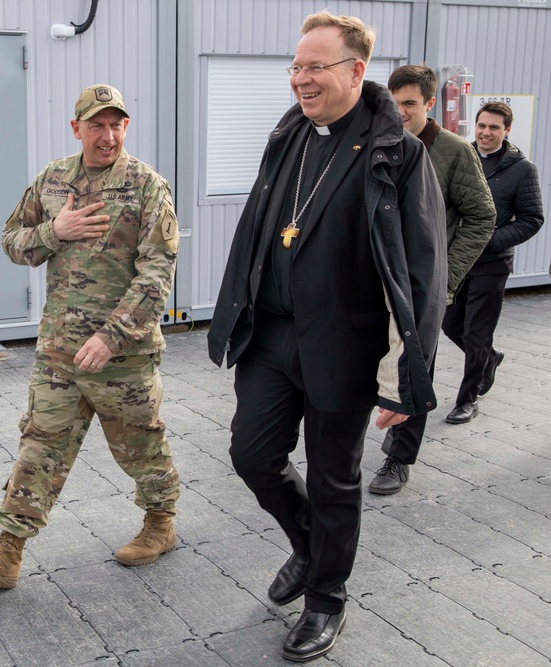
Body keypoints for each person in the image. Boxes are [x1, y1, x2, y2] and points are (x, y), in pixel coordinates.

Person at [206, 12, 446, 662]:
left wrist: (408, 376)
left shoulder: (399, 150)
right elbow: (259, 229)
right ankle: (312, 547)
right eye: (296, 67)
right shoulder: (288, 135)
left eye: (314, 67)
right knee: (252, 455)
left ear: (354, 71)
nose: (301, 79)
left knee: (336, 478)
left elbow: (421, 271)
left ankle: (326, 598)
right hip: (273, 336)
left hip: (345, 345)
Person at [0, 84, 181, 589]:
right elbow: (13, 242)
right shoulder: (53, 181)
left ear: (126, 127)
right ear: (76, 128)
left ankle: (159, 523)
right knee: (39, 445)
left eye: (116, 124)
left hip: (123, 355)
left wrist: (112, 336)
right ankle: (6, 555)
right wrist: (56, 231)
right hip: (58, 349)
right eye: (97, 124)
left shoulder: (147, 186)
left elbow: (157, 273)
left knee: (140, 447)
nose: (108, 135)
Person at [368, 65, 495, 495]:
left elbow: (482, 215)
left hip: (422, 287)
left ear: (429, 103)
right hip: (376, 284)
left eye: (410, 104)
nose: (401, 112)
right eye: (396, 102)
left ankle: (398, 459)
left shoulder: (455, 151)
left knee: (415, 370)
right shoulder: (375, 142)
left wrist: (446, 277)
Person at [441, 102, 545, 424]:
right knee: (449, 324)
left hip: (492, 263)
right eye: (482, 126)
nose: (486, 133)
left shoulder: (522, 169)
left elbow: (532, 219)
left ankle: (467, 400)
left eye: (494, 128)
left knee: (476, 333)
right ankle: (490, 358)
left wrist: (493, 240)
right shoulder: (462, 156)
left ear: (507, 130)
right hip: (457, 260)